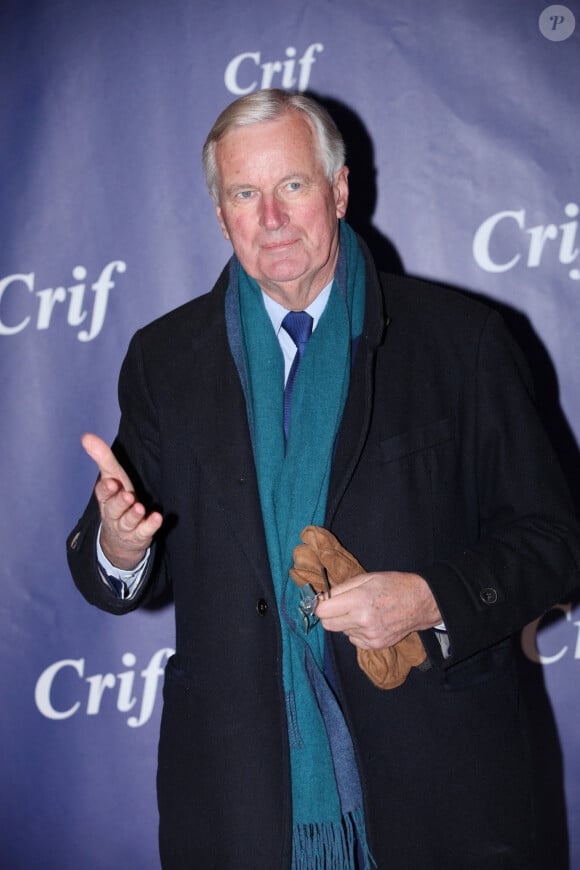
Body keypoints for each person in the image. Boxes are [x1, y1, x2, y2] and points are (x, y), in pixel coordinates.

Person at [67, 88, 580, 869]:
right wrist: (118, 541)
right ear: (220, 213)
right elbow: (118, 561)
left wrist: (429, 599)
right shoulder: (164, 360)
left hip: (440, 798)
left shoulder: (462, 342)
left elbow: (558, 542)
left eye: (293, 186)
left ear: (338, 192)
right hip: (239, 804)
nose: (270, 218)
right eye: (245, 193)